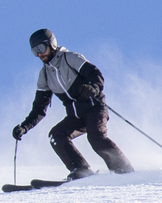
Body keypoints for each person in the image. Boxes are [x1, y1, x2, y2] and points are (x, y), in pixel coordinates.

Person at [12, 29, 133, 178]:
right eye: (34, 51)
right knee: (56, 135)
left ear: (51, 44)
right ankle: (80, 169)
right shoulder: (45, 75)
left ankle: (124, 170)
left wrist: (93, 88)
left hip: (94, 109)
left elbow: (95, 74)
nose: (39, 54)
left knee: (96, 138)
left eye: (41, 48)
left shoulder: (70, 58)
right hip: (76, 117)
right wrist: (24, 127)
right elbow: (39, 109)